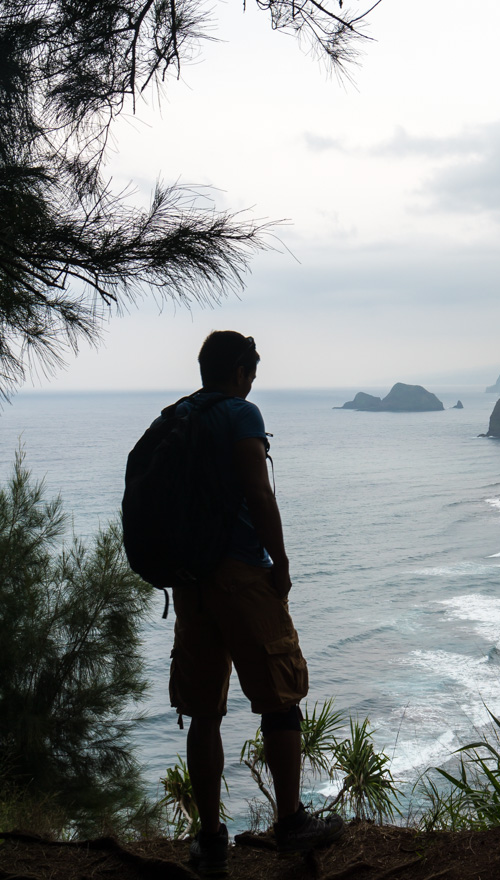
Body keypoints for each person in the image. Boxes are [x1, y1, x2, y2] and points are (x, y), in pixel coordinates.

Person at [167, 330, 343, 876]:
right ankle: (289, 821)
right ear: (241, 371)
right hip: (241, 575)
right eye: (252, 373)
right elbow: (257, 492)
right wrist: (281, 562)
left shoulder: (178, 419)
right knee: (279, 695)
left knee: (203, 711)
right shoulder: (241, 415)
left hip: (190, 585)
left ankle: (210, 837)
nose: (252, 383)